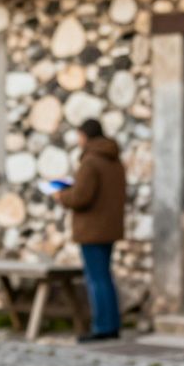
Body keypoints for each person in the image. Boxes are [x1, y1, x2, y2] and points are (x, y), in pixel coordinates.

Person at [53, 119, 127, 343]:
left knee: (96, 279)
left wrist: (60, 195)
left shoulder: (91, 162)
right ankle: (112, 325)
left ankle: (102, 328)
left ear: (85, 136)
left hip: (92, 229)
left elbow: (80, 197)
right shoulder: (114, 160)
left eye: (79, 136)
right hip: (110, 227)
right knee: (105, 277)